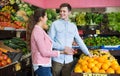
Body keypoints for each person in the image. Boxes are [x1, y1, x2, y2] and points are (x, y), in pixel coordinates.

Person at [26, 8, 74, 76]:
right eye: (46, 16)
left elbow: (51, 43)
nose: (47, 18)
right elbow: (44, 52)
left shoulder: (40, 30)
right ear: (41, 18)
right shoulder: (37, 32)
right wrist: (62, 52)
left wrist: (64, 48)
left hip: (44, 65)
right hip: (41, 65)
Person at [48, 3, 92, 76]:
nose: (62, 13)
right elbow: (50, 41)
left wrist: (87, 53)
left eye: (64, 11)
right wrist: (63, 48)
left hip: (69, 60)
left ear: (69, 12)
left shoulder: (73, 26)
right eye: (61, 11)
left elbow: (79, 41)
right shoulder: (54, 24)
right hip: (57, 59)